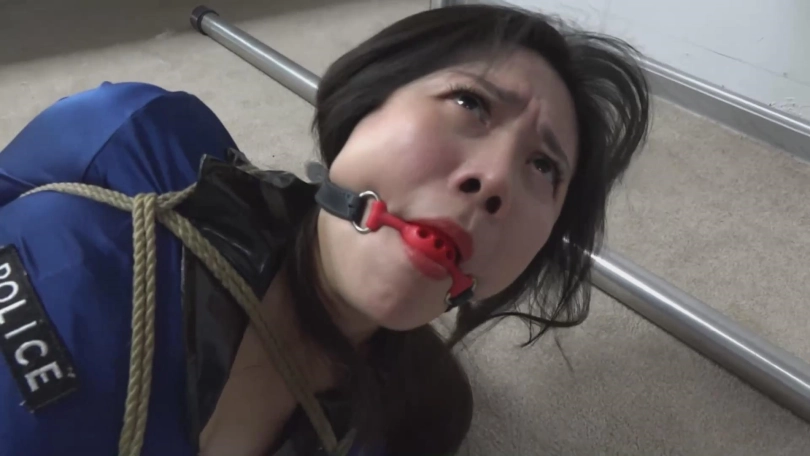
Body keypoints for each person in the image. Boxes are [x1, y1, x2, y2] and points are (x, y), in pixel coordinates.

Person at [0, 3, 649, 456]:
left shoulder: (407, 428)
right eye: (469, 102)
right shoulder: (125, 132)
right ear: (363, 104)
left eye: (544, 166)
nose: (496, 177)